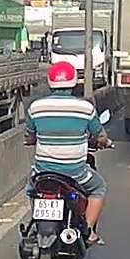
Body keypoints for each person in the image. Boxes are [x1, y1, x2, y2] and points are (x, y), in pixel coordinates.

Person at [24, 61, 112, 245]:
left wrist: (34, 140)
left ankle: (38, 223)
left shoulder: (35, 107)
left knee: (32, 190)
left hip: (43, 172)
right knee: (99, 188)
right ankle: (89, 231)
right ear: (73, 82)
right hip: (75, 172)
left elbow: (29, 136)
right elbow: (100, 135)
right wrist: (105, 142)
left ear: (50, 82)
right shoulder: (85, 108)